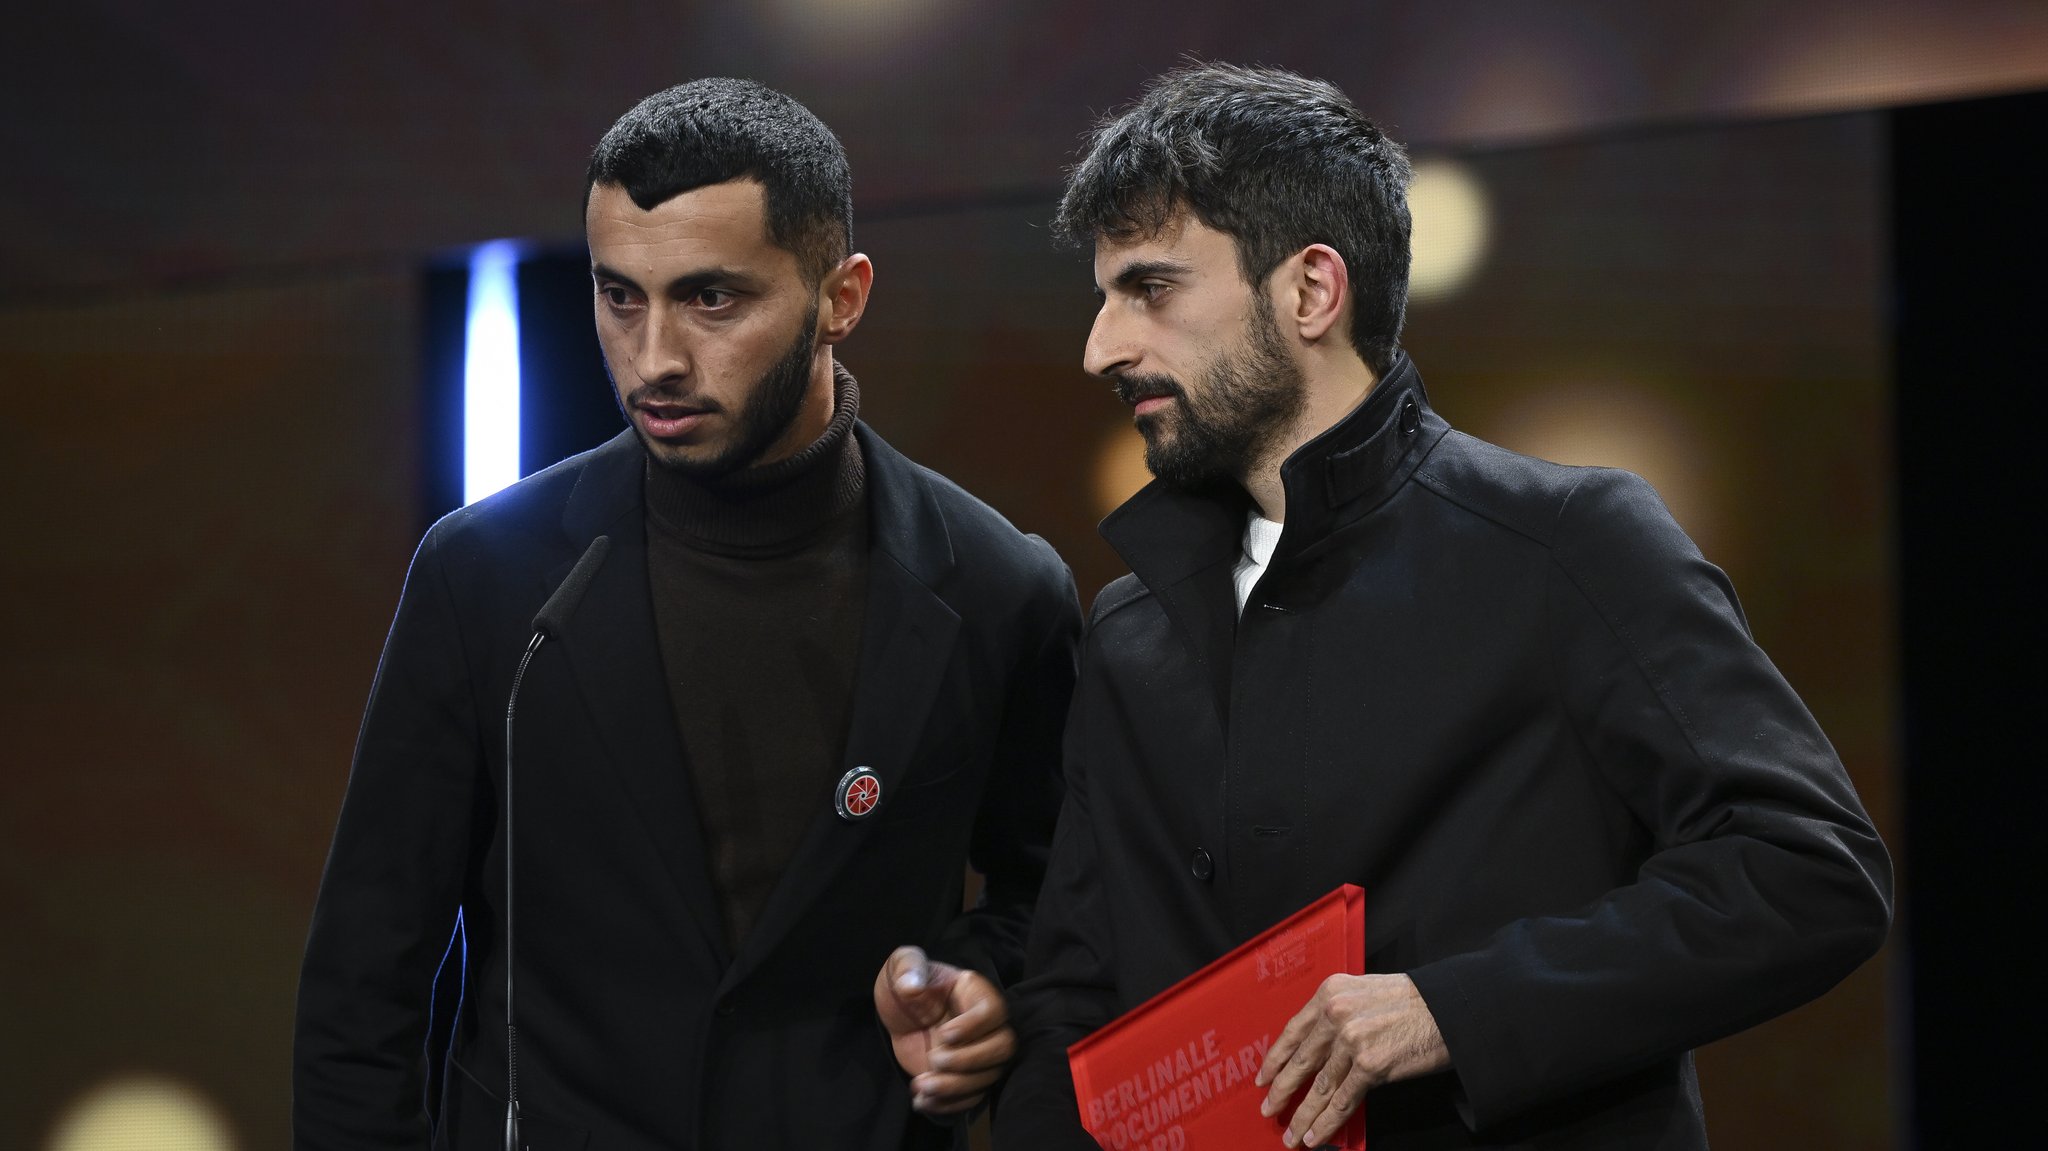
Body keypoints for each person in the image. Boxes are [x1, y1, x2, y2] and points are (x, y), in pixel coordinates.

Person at [996, 63, 1892, 1150]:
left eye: (1149, 288)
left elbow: (1805, 869)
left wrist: (1451, 1009)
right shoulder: (1131, 631)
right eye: (1102, 297)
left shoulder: (1567, 543)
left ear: (1311, 291)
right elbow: (1069, 1004)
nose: (1101, 345)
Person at [293, 78, 1080, 1151]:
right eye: (620, 296)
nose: (654, 356)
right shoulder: (486, 574)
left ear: (840, 296)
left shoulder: (996, 586)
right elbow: (361, 982)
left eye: (712, 298)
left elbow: (1059, 905)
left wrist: (983, 981)